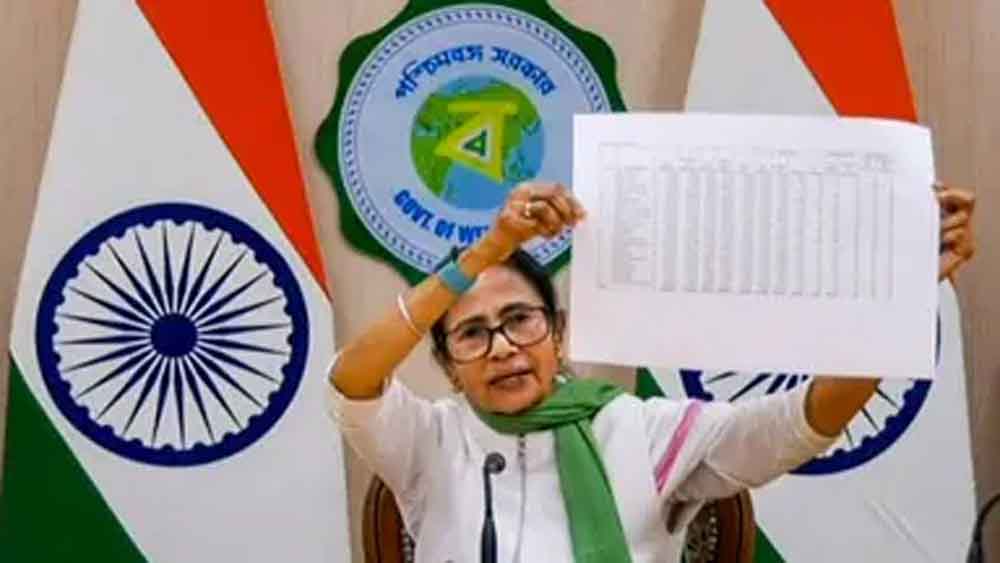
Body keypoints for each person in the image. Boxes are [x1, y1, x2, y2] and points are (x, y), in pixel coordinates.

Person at [328, 182, 975, 562]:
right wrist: (487, 252)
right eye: (472, 333)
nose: (502, 347)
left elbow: (799, 422)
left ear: (557, 333)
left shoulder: (638, 429)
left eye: (520, 320)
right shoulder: (427, 439)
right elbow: (352, 379)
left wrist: (896, 302)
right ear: (447, 365)